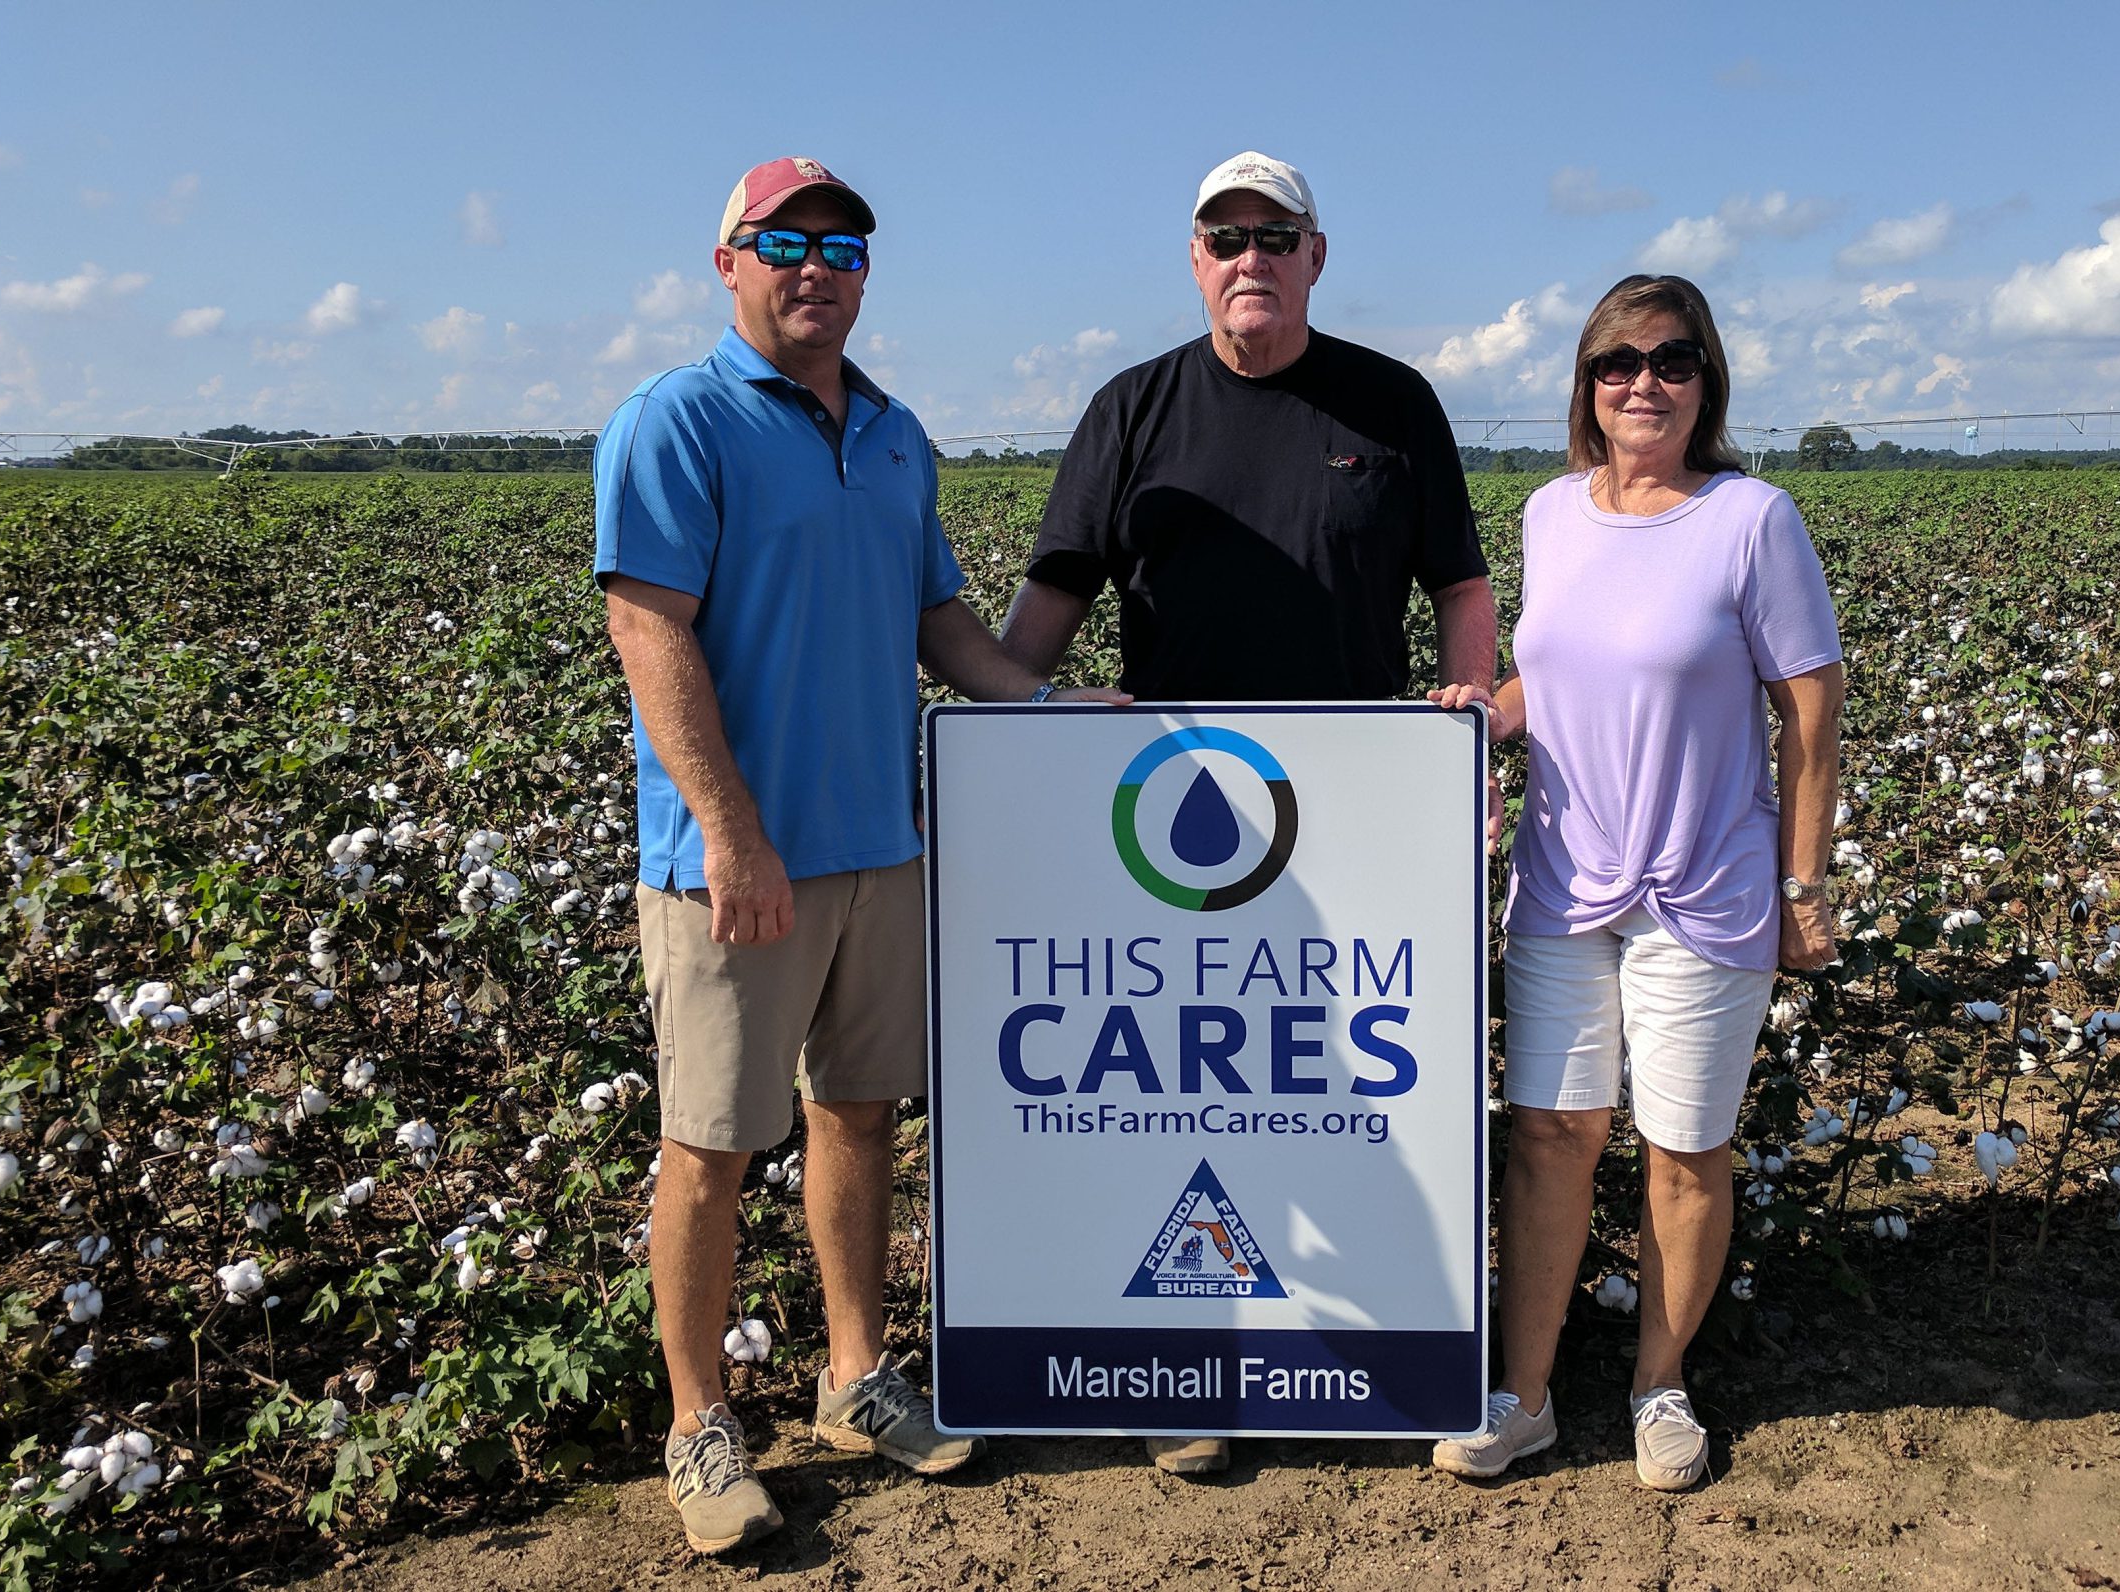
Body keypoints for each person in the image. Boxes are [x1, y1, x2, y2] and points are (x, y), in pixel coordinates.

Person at [596, 156, 1124, 1556]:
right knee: (707, 1146)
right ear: (728, 262)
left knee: (860, 1116)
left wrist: (1058, 706)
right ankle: (702, 1423)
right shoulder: (675, 422)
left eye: (842, 246)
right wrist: (732, 830)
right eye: (784, 242)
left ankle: (852, 1379)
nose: (815, 265)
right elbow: (649, 632)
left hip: (878, 847)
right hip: (733, 864)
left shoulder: (893, 432)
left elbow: (940, 628)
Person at [999, 151, 1497, 1475]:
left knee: (1338, 1081)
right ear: (1196, 258)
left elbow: (1458, 584)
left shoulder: (1393, 405)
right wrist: (1017, 727)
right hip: (1171, 818)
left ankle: (1366, 1345)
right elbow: (1046, 609)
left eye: (1277, 236)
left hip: (1358, 813)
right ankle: (1191, 1370)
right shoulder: (1133, 408)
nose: (1251, 259)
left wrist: (1474, 698)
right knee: (1184, 1092)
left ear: (1317, 257)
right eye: (1227, 237)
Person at [1426, 275, 1844, 1489]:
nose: (1642, 384)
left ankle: (1659, 1385)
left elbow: (1809, 709)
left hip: (1707, 890)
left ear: (1705, 380)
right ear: (1586, 385)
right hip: (1562, 883)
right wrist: (1474, 717)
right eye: (1618, 362)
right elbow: (1550, 678)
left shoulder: (1751, 518)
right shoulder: (1552, 513)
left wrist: (1802, 881)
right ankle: (1524, 1393)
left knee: (1681, 1147)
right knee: (1552, 1133)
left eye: (1670, 360)